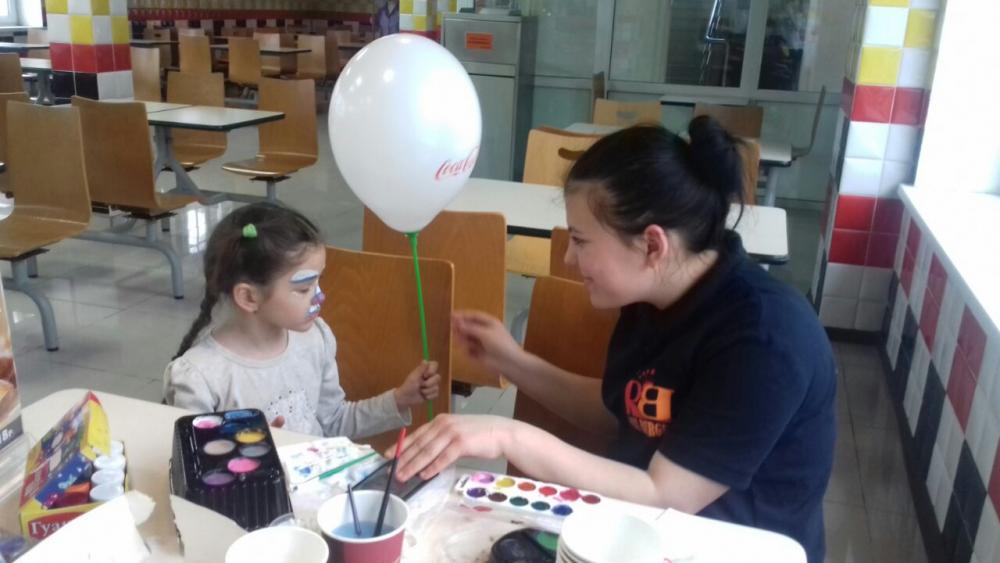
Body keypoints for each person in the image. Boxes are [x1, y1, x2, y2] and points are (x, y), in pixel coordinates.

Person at [390, 119, 836, 562]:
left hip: (723, 546)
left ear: (652, 245)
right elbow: (624, 408)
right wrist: (512, 361)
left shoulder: (765, 338)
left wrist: (506, 435)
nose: (568, 257)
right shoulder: (652, 296)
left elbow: (665, 493)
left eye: (580, 241)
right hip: (637, 532)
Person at [164, 203, 440, 439]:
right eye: (304, 288)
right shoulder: (200, 377)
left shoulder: (315, 338)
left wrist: (399, 399)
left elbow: (333, 421)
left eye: (319, 281)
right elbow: (193, 467)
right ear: (248, 297)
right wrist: (251, 451)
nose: (320, 296)